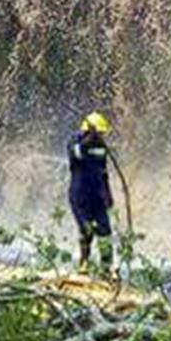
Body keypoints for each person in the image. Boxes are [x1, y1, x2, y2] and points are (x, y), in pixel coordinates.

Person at [68, 111, 115, 273]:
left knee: (105, 231)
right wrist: (88, 140)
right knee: (87, 230)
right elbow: (75, 156)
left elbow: (103, 172)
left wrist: (108, 194)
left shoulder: (102, 148)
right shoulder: (75, 141)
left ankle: (106, 269)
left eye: (102, 134)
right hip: (80, 195)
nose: (100, 136)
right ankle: (84, 264)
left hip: (97, 196)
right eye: (98, 133)